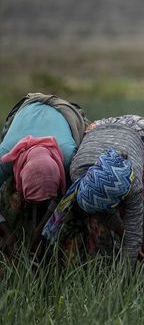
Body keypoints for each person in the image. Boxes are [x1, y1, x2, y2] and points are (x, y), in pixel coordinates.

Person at [41, 115, 144, 277]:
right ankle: (102, 268)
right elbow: (101, 210)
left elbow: (133, 234)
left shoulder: (133, 184)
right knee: (94, 221)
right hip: (97, 128)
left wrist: (124, 281)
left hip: (140, 131)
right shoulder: (77, 171)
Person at [0, 93, 88, 256]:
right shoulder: (6, 153)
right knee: (9, 198)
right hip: (27, 108)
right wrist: (5, 230)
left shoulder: (68, 156)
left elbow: (64, 197)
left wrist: (43, 228)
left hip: (62, 111)